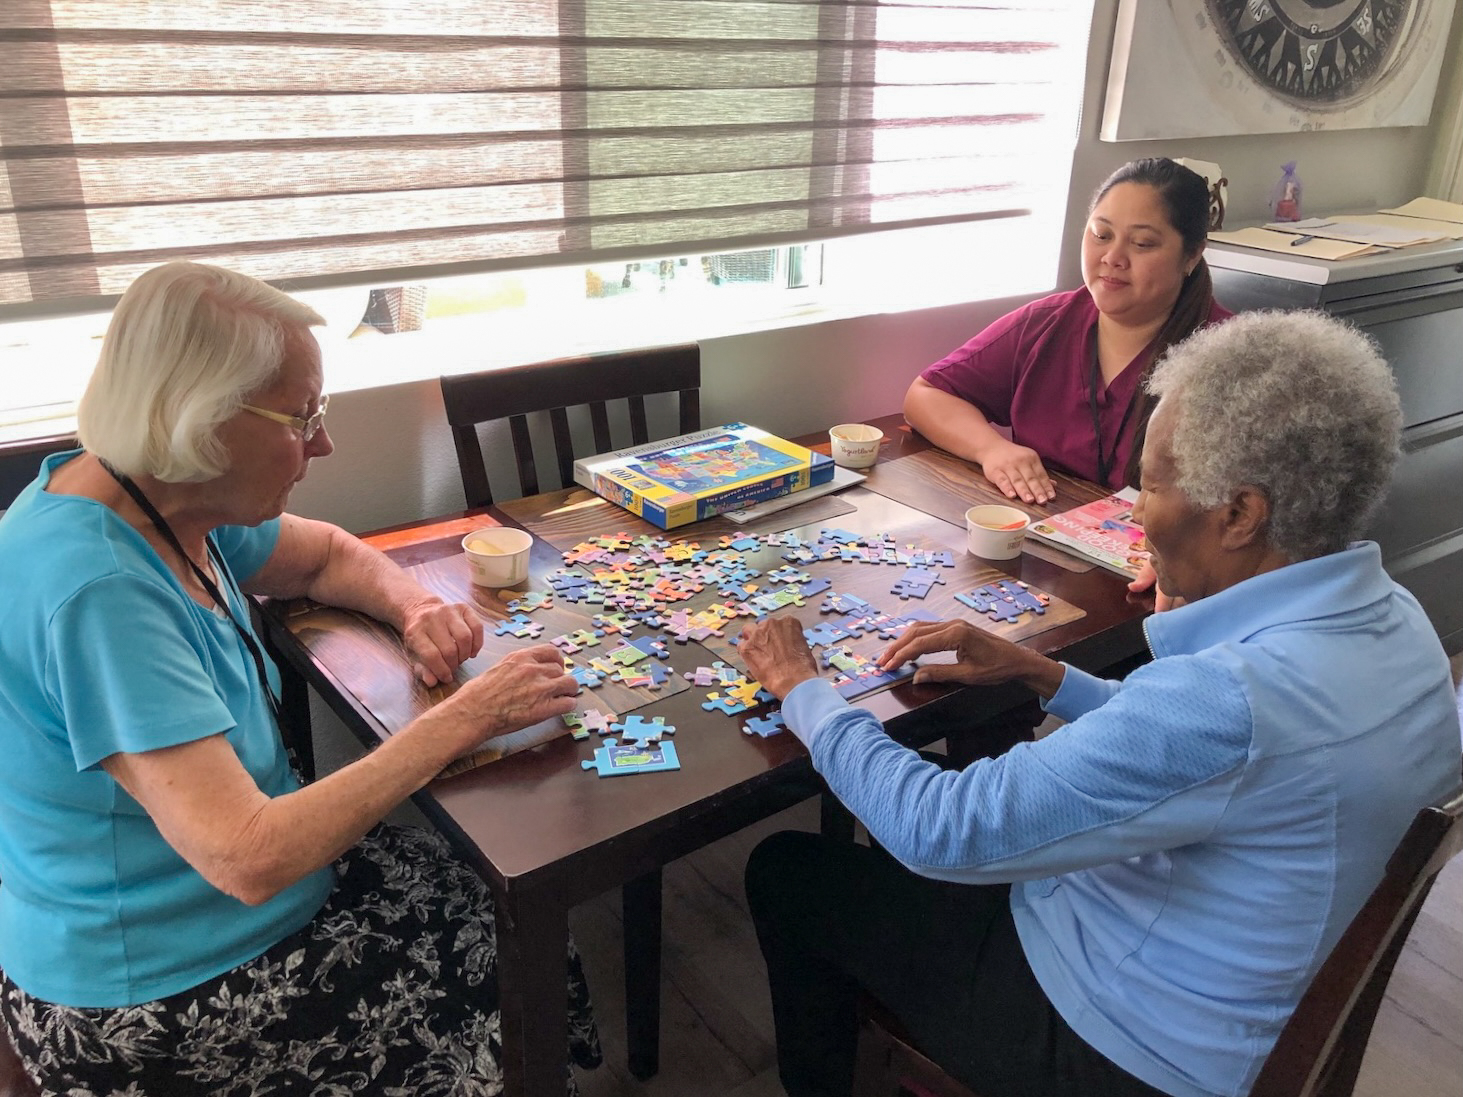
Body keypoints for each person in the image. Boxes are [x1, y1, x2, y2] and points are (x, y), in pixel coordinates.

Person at [738, 309, 1463, 1097]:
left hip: (1123, 1049)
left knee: (788, 870)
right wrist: (1044, 675)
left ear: (1240, 514)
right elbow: (1207, 762)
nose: (1135, 513)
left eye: (1148, 485)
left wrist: (804, 690)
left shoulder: (1228, 698)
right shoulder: (1399, 620)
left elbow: (936, 830)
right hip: (1253, 1000)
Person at [0, 262, 600, 1095]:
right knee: (504, 961)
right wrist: (461, 719)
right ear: (200, 421)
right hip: (161, 987)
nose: (323, 443)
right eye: (302, 416)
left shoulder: (155, 500)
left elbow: (322, 554)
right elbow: (246, 855)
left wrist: (414, 606)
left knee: (510, 913)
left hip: (222, 907)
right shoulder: (101, 593)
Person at [904, 157, 1231, 506]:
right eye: (1101, 235)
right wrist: (992, 450)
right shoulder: (1047, 324)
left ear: (1192, 255)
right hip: (1043, 536)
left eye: (1143, 244)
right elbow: (926, 395)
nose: (1113, 257)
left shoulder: (1233, 356)